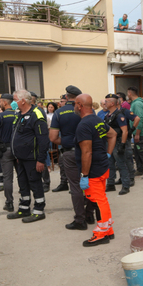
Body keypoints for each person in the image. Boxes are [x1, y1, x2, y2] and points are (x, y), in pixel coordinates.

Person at [49, 85, 95, 230]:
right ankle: (89, 214)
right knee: (91, 183)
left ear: (67, 97)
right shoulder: (89, 110)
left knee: (75, 186)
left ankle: (80, 220)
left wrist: (68, 142)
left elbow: (53, 137)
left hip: (70, 152)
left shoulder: (59, 113)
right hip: (89, 151)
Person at [74, 94, 117, 247]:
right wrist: (108, 154)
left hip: (94, 170)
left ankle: (101, 233)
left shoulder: (83, 125)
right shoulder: (98, 120)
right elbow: (113, 134)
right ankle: (108, 229)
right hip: (103, 165)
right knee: (102, 199)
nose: (74, 106)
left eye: (74, 104)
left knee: (98, 201)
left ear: (79, 105)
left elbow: (87, 152)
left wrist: (84, 175)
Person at [5, 89, 50, 223]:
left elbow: (43, 139)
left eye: (15, 100)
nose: (13, 102)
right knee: (22, 183)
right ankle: (24, 208)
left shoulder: (36, 114)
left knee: (35, 183)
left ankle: (38, 211)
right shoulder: (19, 114)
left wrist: (41, 160)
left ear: (23, 100)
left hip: (33, 158)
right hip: (21, 158)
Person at [104, 95, 132, 195]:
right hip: (109, 142)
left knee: (121, 164)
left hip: (118, 142)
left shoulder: (119, 115)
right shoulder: (108, 115)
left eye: (106, 101)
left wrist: (123, 145)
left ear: (112, 103)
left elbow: (125, 131)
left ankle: (126, 185)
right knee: (109, 164)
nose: (104, 103)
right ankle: (110, 184)